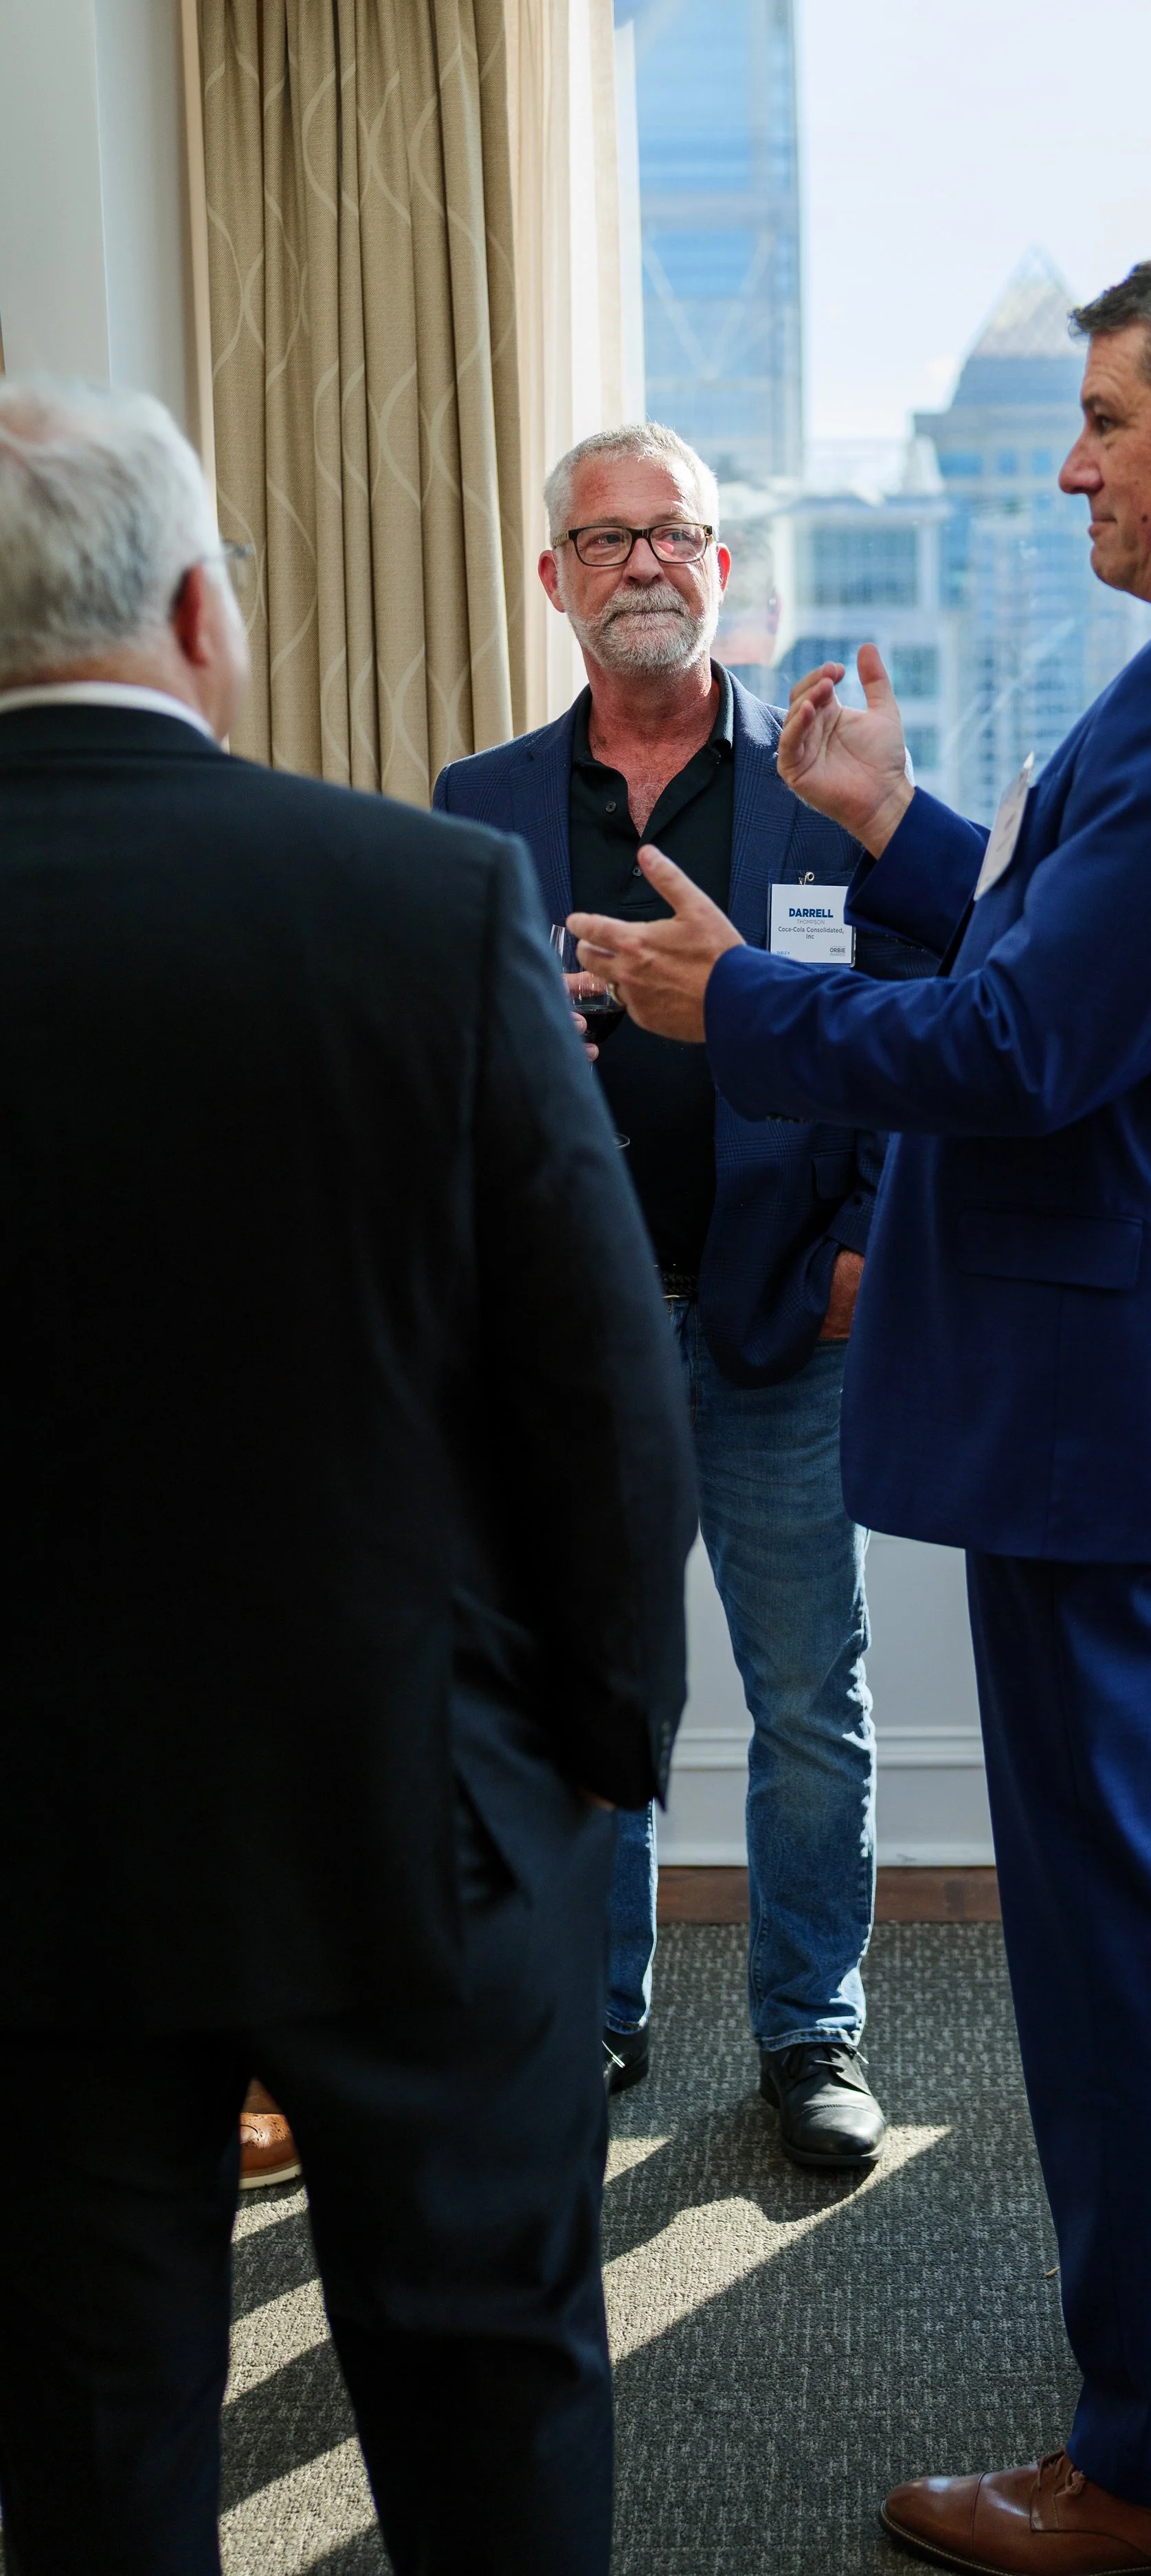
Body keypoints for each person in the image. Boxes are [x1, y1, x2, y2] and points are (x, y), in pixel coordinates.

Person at [568, 244, 1151, 2574]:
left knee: (1114, 1934)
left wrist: (734, 1004)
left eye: (1103, 421)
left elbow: (1032, 1043)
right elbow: (1140, 972)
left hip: (1121, 1412)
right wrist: (904, 830)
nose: (1071, 468)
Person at [0, 379, 695, 2576]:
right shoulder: (426, 896)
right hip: (417, 1808)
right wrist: (602, 1751)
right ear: (200, 613)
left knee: (84, 2437)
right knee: (486, 2405)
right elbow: (596, 1380)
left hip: (27, 1842)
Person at [435, 422, 930, 2169]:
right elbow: (438, 1061)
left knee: (808, 1703)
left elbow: (913, 1025)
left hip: (783, 1320)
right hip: (573, 1338)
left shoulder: (816, 785)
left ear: (720, 566)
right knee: (598, 1691)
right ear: (553, 578)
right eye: (605, 537)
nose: (642, 561)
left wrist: (869, 1235)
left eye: (674, 534)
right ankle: (593, 2014)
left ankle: (811, 2031)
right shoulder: (479, 804)